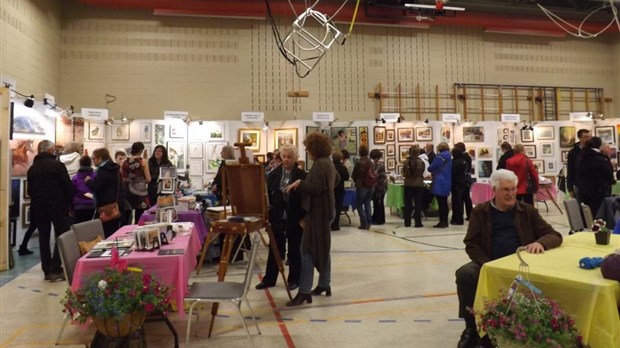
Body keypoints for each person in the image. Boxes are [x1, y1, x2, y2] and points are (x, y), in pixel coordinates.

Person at [455, 169, 563, 348]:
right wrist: (487, 264)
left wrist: (541, 243)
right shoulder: (480, 212)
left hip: (520, 265)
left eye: (513, 189)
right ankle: (471, 328)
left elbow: (553, 234)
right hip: (489, 262)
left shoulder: (526, 211)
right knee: (465, 274)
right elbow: (471, 243)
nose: (511, 193)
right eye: (506, 189)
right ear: (494, 190)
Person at [285, 132, 340, 306]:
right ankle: (324, 284)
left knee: (306, 250)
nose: (307, 150)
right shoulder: (328, 163)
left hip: (318, 213)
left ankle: (304, 291)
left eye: (308, 147)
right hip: (326, 210)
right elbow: (336, 180)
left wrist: (300, 183)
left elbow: (316, 188)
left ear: (315, 148)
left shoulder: (319, 164)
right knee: (323, 247)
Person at [256, 145, 307, 291]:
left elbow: (306, 198)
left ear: (295, 158)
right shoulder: (274, 174)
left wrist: (304, 217)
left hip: (295, 216)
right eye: (283, 156)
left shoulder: (301, 175)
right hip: (277, 216)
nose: (286, 159)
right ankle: (269, 279)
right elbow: (268, 196)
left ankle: (294, 280)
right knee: (275, 249)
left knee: (295, 249)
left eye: (289, 157)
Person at [27, 140, 73, 282]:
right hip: (57, 206)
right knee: (62, 235)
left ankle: (46, 269)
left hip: (39, 207)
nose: (55, 152)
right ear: (49, 150)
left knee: (43, 237)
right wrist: (69, 203)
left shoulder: (32, 169)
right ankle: (55, 266)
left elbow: (30, 191)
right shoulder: (58, 166)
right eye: (53, 150)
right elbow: (68, 187)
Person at [86, 148, 122, 237]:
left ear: (100, 158)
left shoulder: (102, 170)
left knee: (105, 233)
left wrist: (88, 181)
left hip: (104, 206)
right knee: (113, 232)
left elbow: (97, 187)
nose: (93, 161)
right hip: (113, 204)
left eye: (94, 159)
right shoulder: (114, 169)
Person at [576, 137, 614, 215]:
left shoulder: (581, 156)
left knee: (587, 216)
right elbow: (608, 174)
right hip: (598, 192)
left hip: (584, 191)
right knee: (599, 215)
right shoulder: (599, 158)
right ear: (599, 146)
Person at [122, 142, 151, 223]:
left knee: (127, 217)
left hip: (127, 191)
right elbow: (148, 179)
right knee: (140, 217)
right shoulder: (143, 162)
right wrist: (141, 181)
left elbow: (123, 177)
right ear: (141, 150)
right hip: (140, 193)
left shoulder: (124, 162)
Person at [428, 142, 452, 228]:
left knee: (441, 203)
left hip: (439, 181)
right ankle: (445, 221)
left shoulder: (439, 157)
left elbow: (430, 168)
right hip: (447, 180)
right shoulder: (450, 157)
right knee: (444, 202)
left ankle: (442, 222)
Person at [351, 145, 374, 230]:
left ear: (360, 152)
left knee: (359, 205)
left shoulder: (359, 163)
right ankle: (369, 222)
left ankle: (364, 223)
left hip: (361, 186)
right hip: (371, 186)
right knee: (367, 203)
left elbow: (354, 175)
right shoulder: (371, 162)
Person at [402, 145, 425, 228]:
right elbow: (422, 171)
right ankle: (418, 222)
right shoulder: (421, 162)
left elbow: (404, 172)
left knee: (407, 203)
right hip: (418, 184)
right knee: (418, 204)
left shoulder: (406, 162)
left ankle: (407, 222)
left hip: (408, 184)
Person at [567, 128, 591, 200]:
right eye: (586, 137)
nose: (588, 139)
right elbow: (570, 170)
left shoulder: (592, 150)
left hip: (592, 184)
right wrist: (570, 188)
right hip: (579, 184)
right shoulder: (573, 152)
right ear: (580, 138)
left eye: (589, 137)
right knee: (580, 206)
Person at [71, 155, 96, 224]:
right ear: (90, 163)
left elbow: (72, 193)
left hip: (79, 206)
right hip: (92, 205)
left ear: (80, 164)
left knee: (79, 229)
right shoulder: (95, 176)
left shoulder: (75, 178)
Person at [454, 142, 473, 220]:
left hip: (462, 181)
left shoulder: (463, 158)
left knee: (462, 199)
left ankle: (464, 216)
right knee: (467, 198)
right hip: (466, 180)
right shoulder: (467, 156)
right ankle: (469, 215)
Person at [331, 151, 349, 231]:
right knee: (338, 207)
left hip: (330, 189)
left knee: (330, 207)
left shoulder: (330, 166)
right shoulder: (342, 168)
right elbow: (346, 178)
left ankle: (329, 223)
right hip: (339, 189)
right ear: (341, 159)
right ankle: (335, 225)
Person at [450, 147, 469, 226]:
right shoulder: (464, 161)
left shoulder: (454, 162)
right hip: (463, 183)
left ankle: (457, 219)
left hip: (456, 184)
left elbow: (453, 174)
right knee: (461, 202)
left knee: (456, 202)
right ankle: (460, 218)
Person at [370, 149, 387, 225]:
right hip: (380, 185)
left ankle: (379, 219)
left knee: (378, 202)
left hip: (379, 186)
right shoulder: (378, 162)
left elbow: (375, 174)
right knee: (377, 202)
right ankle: (378, 218)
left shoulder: (379, 163)